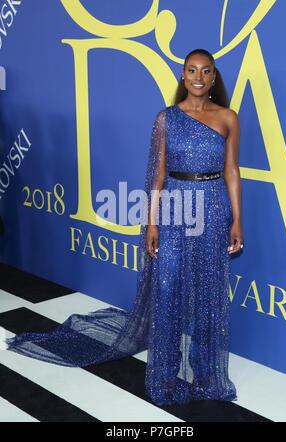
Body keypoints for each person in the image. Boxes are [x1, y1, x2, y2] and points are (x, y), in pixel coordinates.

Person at [1, 49, 243, 406]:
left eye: (205, 71)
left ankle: (207, 374)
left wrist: (238, 219)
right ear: (182, 75)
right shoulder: (166, 119)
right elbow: (158, 175)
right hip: (175, 208)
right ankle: (164, 375)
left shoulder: (228, 118)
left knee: (208, 295)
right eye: (191, 70)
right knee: (168, 292)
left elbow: (232, 171)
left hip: (213, 208)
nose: (198, 77)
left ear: (213, 77)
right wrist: (151, 223)